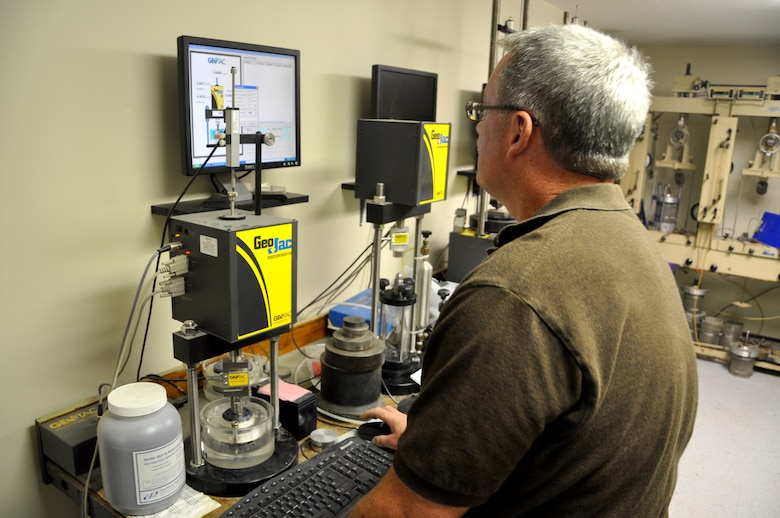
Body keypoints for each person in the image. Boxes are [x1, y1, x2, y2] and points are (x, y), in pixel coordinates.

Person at [349, 23, 698, 518]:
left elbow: (406, 513)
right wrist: (439, 447)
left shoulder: (512, 295)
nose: (475, 127)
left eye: (482, 110)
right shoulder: (634, 243)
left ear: (518, 131)